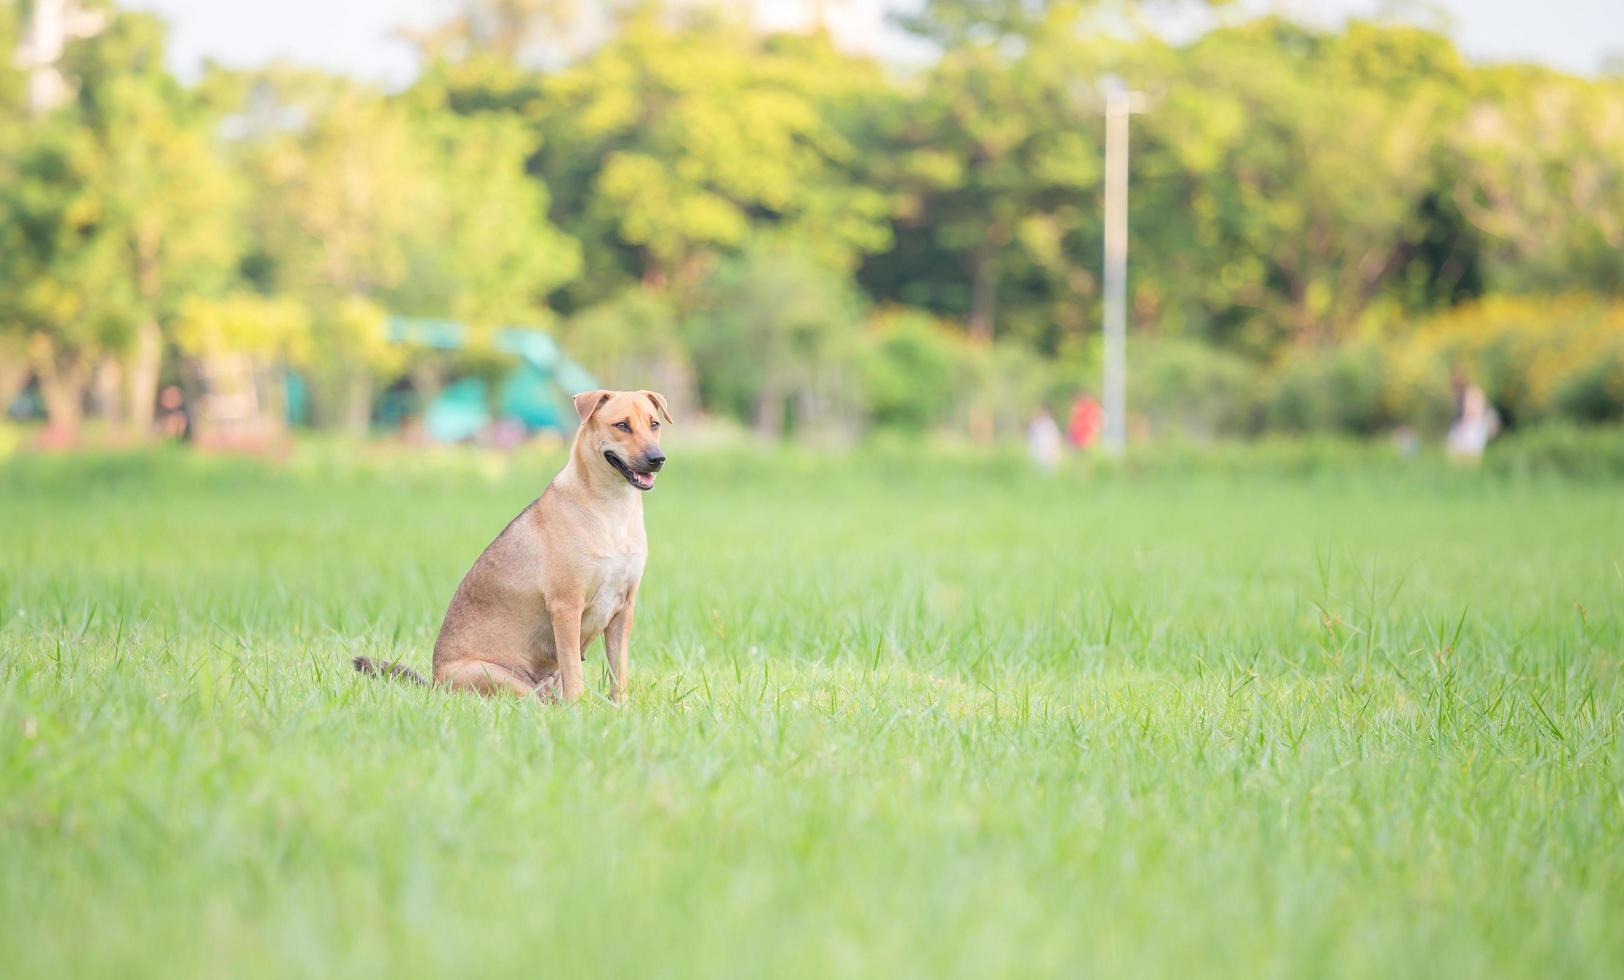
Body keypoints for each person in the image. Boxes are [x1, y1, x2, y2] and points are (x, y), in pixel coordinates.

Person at [1446, 383, 1500, 461]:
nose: (1471, 407)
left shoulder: (1480, 425)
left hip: (1471, 458)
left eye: (1475, 403)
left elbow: (1476, 446)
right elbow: (1450, 445)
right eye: (1468, 403)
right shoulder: (1458, 424)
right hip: (1456, 458)